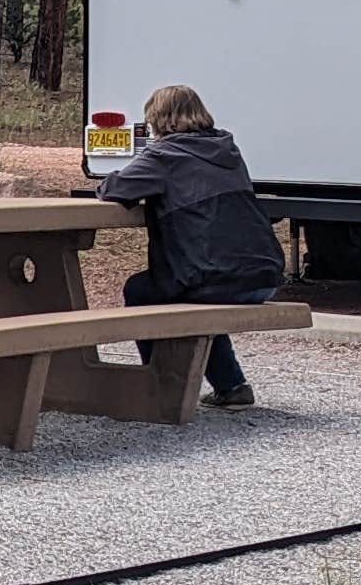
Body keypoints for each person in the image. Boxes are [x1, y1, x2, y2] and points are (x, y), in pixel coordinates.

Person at [92, 82, 286, 408]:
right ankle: (231, 386)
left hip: (215, 278)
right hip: (262, 276)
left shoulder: (165, 155)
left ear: (158, 119)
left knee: (144, 290)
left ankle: (159, 385)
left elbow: (116, 188)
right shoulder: (228, 150)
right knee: (201, 288)